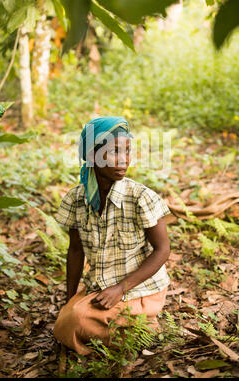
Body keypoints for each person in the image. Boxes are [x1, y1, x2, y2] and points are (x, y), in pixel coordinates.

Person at [53, 116, 171, 355]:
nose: (124, 159)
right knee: (67, 318)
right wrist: (69, 297)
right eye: (114, 151)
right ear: (91, 155)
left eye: (127, 151)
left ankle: (144, 328)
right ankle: (127, 329)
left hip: (140, 289)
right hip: (102, 286)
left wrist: (120, 289)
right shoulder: (77, 199)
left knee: (72, 323)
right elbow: (75, 251)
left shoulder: (140, 197)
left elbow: (163, 250)